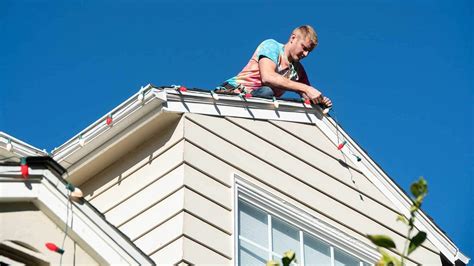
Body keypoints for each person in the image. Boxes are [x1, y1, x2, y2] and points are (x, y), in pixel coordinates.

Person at [217, 25, 332, 107]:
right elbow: (268, 77)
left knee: (268, 95)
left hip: (260, 102)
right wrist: (307, 88)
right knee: (267, 91)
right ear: (293, 38)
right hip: (231, 94)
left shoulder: (298, 71)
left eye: (309, 51)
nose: (306, 54)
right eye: (304, 48)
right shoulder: (272, 46)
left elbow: (307, 95)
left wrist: (320, 100)